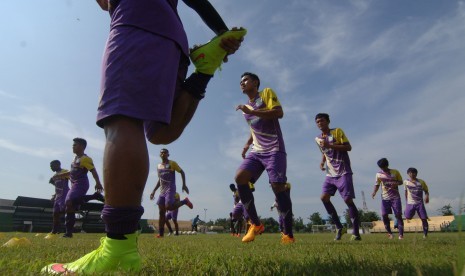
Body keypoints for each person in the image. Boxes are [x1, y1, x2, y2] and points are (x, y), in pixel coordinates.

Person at [42, 0, 245, 273]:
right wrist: (221, 32)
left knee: (121, 120)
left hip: (136, 21)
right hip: (173, 41)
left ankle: (118, 248)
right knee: (159, 132)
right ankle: (204, 71)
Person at [235, 72, 294, 244]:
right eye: (240, 81)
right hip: (256, 151)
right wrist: (247, 144)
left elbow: (278, 112)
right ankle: (256, 224)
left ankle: (288, 234)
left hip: (274, 149)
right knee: (240, 178)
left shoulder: (266, 93)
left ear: (255, 82)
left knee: (277, 187)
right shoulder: (247, 107)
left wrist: (253, 111)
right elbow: (255, 128)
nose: (242, 83)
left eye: (245, 80)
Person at [314, 113, 361, 241]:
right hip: (330, 174)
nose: (320, 123)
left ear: (328, 121)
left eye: (322, 120)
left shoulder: (337, 131)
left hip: (343, 171)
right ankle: (339, 227)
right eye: (317, 122)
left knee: (347, 200)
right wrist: (322, 161)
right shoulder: (317, 138)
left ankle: (356, 233)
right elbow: (324, 151)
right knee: (324, 198)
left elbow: (348, 147)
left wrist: (330, 145)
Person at [51, 138, 104, 239]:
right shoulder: (75, 158)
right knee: (69, 206)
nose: (73, 147)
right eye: (73, 145)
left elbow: (93, 171)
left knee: (69, 201)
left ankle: (68, 233)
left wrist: (98, 183)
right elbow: (72, 172)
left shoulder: (86, 159)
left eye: (75, 145)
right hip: (74, 184)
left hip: (81, 184)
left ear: (82, 146)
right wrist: (59, 175)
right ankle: (68, 233)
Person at [150, 148, 192, 238]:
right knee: (161, 212)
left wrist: (184, 185)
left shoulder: (172, 163)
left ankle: (185, 201)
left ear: (168, 154)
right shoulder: (158, 166)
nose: (163, 154)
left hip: (170, 188)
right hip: (162, 190)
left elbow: (182, 172)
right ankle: (161, 234)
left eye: (165, 153)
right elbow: (160, 180)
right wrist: (153, 191)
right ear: (159, 155)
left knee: (168, 206)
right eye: (161, 152)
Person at [372, 158, 404, 239]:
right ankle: (390, 233)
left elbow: (401, 182)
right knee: (384, 215)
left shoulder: (395, 172)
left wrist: (395, 183)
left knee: (398, 215)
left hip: (395, 197)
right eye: (381, 167)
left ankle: (401, 235)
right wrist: (374, 192)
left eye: (384, 167)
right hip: (385, 197)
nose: (383, 169)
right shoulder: (378, 174)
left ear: (387, 165)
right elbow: (377, 184)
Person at [44, 160, 70, 239]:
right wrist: (55, 195)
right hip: (58, 197)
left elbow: (71, 177)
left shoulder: (64, 172)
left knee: (65, 211)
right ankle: (54, 230)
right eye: (50, 166)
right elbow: (56, 186)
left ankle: (68, 231)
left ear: (58, 164)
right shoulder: (54, 176)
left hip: (65, 195)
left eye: (52, 165)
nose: (51, 167)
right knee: (55, 214)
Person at [404, 167, 430, 238]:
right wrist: (406, 202)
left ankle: (425, 234)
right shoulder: (406, 182)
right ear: (408, 174)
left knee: (424, 218)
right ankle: (406, 212)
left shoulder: (421, 182)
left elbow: (426, 191)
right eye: (410, 173)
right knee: (408, 217)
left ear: (416, 174)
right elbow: (405, 192)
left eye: (414, 173)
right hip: (410, 203)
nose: (412, 174)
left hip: (419, 203)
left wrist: (427, 197)